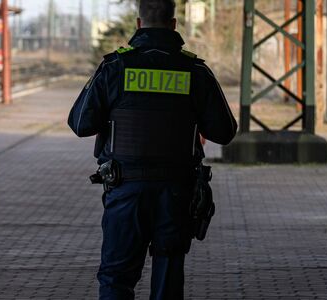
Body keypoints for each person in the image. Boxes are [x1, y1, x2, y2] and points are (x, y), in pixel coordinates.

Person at [67, 0, 237, 299]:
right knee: (168, 276)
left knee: (116, 278)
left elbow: (80, 123)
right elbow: (225, 132)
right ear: (174, 24)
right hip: (175, 193)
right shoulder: (195, 70)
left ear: (138, 23)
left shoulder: (114, 66)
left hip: (125, 190)